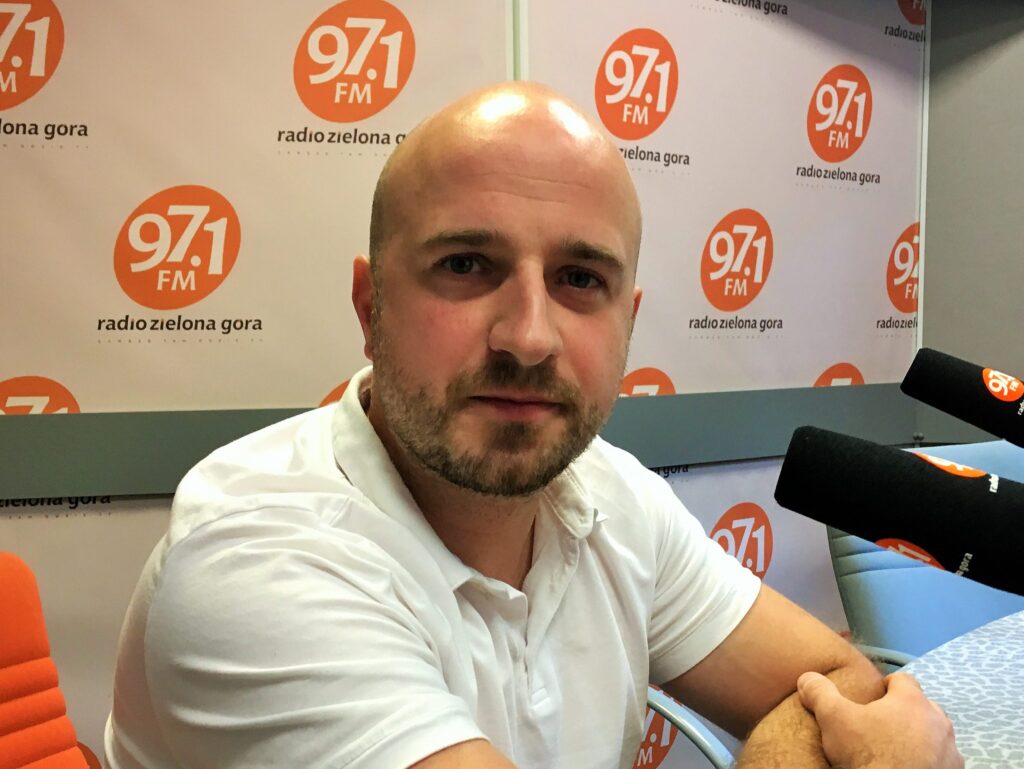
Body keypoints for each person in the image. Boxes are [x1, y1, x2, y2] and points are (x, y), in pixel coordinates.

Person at [104, 82, 962, 769]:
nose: (528, 336)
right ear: (370, 306)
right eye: (465, 264)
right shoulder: (255, 559)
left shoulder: (611, 496)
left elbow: (840, 686)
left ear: (628, 321)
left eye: (579, 279)